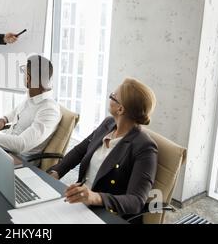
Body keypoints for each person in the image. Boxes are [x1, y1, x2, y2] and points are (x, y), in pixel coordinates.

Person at [47, 78, 158, 221]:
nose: (109, 97)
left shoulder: (145, 147)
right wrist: (56, 172)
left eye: (113, 96)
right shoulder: (108, 124)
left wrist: (95, 197)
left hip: (105, 214)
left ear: (120, 109)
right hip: (78, 205)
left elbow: (136, 201)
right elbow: (79, 151)